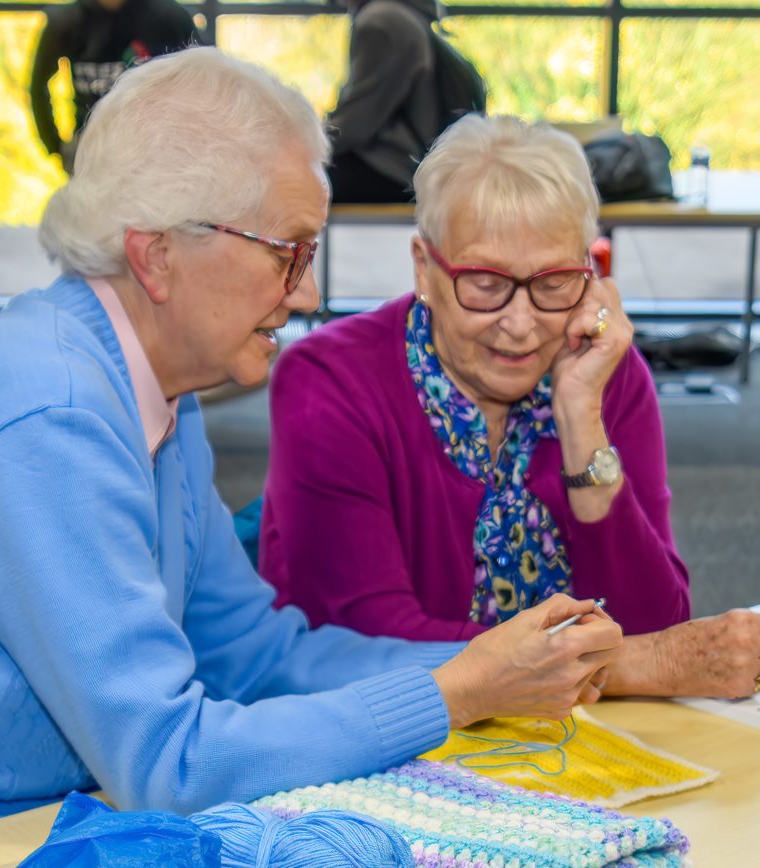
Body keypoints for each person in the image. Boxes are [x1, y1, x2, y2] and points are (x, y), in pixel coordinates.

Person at [0, 53, 621, 868]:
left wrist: (499, 662)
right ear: (157, 253)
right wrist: (456, 691)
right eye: (289, 253)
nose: (306, 293)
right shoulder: (53, 410)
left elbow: (258, 656)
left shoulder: (156, 393)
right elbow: (167, 762)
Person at [260, 114, 760, 700]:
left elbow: (655, 620)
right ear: (425, 267)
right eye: (485, 282)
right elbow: (367, 638)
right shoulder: (331, 382)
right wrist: (628, 666)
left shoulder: (607, 374)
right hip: (389, 741)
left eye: (552, 282)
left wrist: (581, 423)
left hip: (569, 749)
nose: (520, 325)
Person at [30, 0, 200, 175]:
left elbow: (205, 78)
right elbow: (38, 87)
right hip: (91, 154)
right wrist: (56, 146)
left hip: (159, 153)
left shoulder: (170, 17)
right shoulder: (67, 21)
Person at [326, 0, 438, 203]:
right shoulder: (405, 14)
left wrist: (313, 140)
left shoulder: (380, 22)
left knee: (296, 177)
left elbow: (355, 124)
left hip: (393, 170)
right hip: (411, 164)